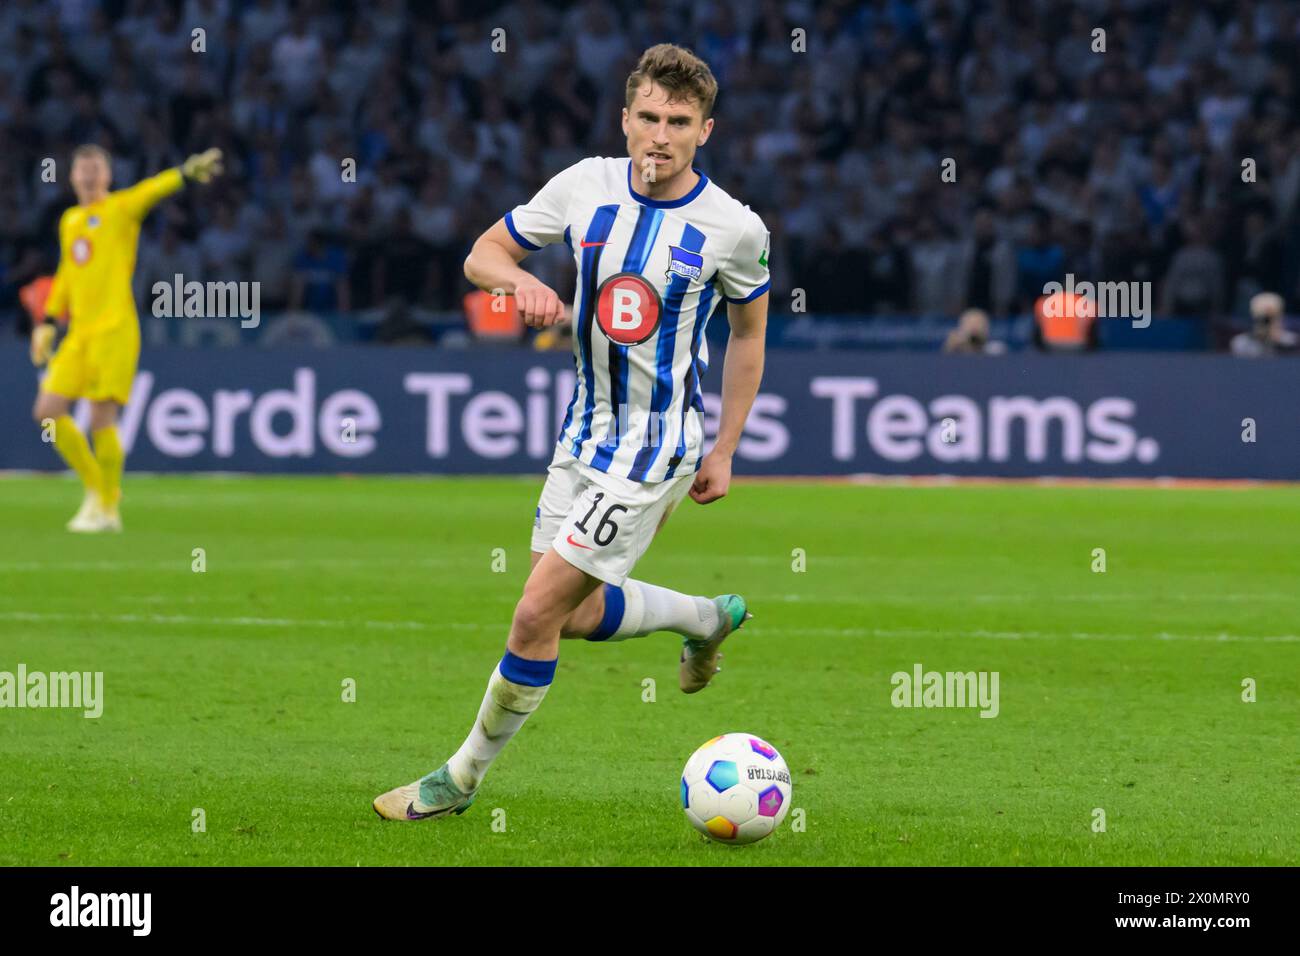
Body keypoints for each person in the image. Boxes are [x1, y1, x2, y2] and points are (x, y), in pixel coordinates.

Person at [374, 44, 769, 821]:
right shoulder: (582, 187)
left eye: (679, 122)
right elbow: (482, 254)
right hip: (583, 431)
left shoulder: (734, 229)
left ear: (705, 132)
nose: (661, 136)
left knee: (532, 615)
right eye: (649, 118)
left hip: (656, 446)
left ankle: (456, 782)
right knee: (578, 614)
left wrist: (724, 447)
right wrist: (521, 280)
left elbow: (750, 336)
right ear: (625, 120)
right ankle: (704, 618)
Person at [29, 144, 223, 532]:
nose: (87, 175)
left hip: (115, 330)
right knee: (48, 412)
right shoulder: (70, 221)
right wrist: (49, 320)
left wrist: (183, 173)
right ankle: (98, 491)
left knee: (102, 416)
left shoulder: (120, 210)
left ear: (108, 176)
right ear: (71, 177)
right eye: (81, 168)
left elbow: (150, 190)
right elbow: (68, 272)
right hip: (78, 333)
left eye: (95, 168)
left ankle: (107, 507)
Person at [1230, 291, 1298, 357]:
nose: (1265, 324)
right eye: (1261, 319)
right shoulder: (1241, 343)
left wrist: (1277, 342)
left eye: (1269, 319)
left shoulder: (1291, 342)